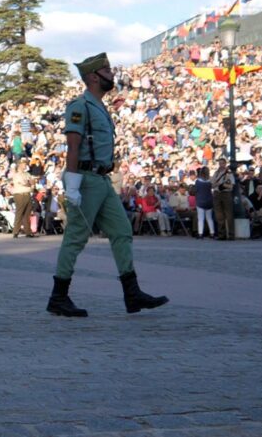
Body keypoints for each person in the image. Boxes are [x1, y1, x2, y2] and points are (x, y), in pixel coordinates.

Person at [48, 53, 168, 318]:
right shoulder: (81, 106)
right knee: (76, 237)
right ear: (93, 77)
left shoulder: (99, 106)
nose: (112, 75)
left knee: (122, 230)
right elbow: (73, 146)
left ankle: (132, 293)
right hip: (87, 179)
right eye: (107, 71)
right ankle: (58, 296)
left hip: (101, 179)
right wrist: (73, 185)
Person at [211, 158, 235, 240]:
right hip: (217, 193)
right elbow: (212, 184)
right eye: (219, 163)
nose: (220, 165)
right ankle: (222, 234)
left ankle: (231, 235)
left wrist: (221, 184)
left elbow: (231, 185)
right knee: (219, 215)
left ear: (225, 164)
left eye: (222, 163)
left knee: (229, 215)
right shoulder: (216, 173)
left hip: (226, 193)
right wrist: (217, 184)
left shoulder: (229, 173)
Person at [11, 159, 35, 238]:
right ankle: (16, 231)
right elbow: (25, 183)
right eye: (24, 164)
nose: (25, 165)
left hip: (27, 194)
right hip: (19, 194)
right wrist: (29, 183)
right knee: (20, 212)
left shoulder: (27, 174)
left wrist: (30, 183)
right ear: (20, 165)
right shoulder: (16, 174)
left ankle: (28, 231)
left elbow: (32, 183)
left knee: (27, 214)